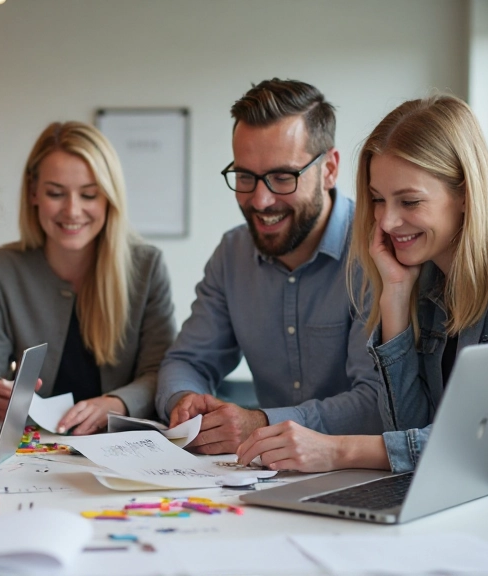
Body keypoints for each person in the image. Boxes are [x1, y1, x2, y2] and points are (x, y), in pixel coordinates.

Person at [236, 95, 488, 572]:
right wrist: (395, 298)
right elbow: (408, 430)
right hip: (457, 523)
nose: (386, 222)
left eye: (409, 201)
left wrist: (337, 450)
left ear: (464, 192)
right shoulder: (422, 277)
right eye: (377, 199)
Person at [156, 79, 383, 454]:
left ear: (329, 169)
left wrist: (260, 424)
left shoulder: (376, 253)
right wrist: (184, 400)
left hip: (360, 475)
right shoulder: (232, 254)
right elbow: (188, 360)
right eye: (245, 177)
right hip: (269, 477)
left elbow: (376, 402)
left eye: (282, 177)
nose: (260, 201)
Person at [0, 121, 177, 435]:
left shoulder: (147, 267)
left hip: (121, 444)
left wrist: (116, 403)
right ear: (33, 193)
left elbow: (160, 373)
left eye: (89, 195)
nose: (72, 210)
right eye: (56, 193)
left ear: (109, 198)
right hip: (30, 450)